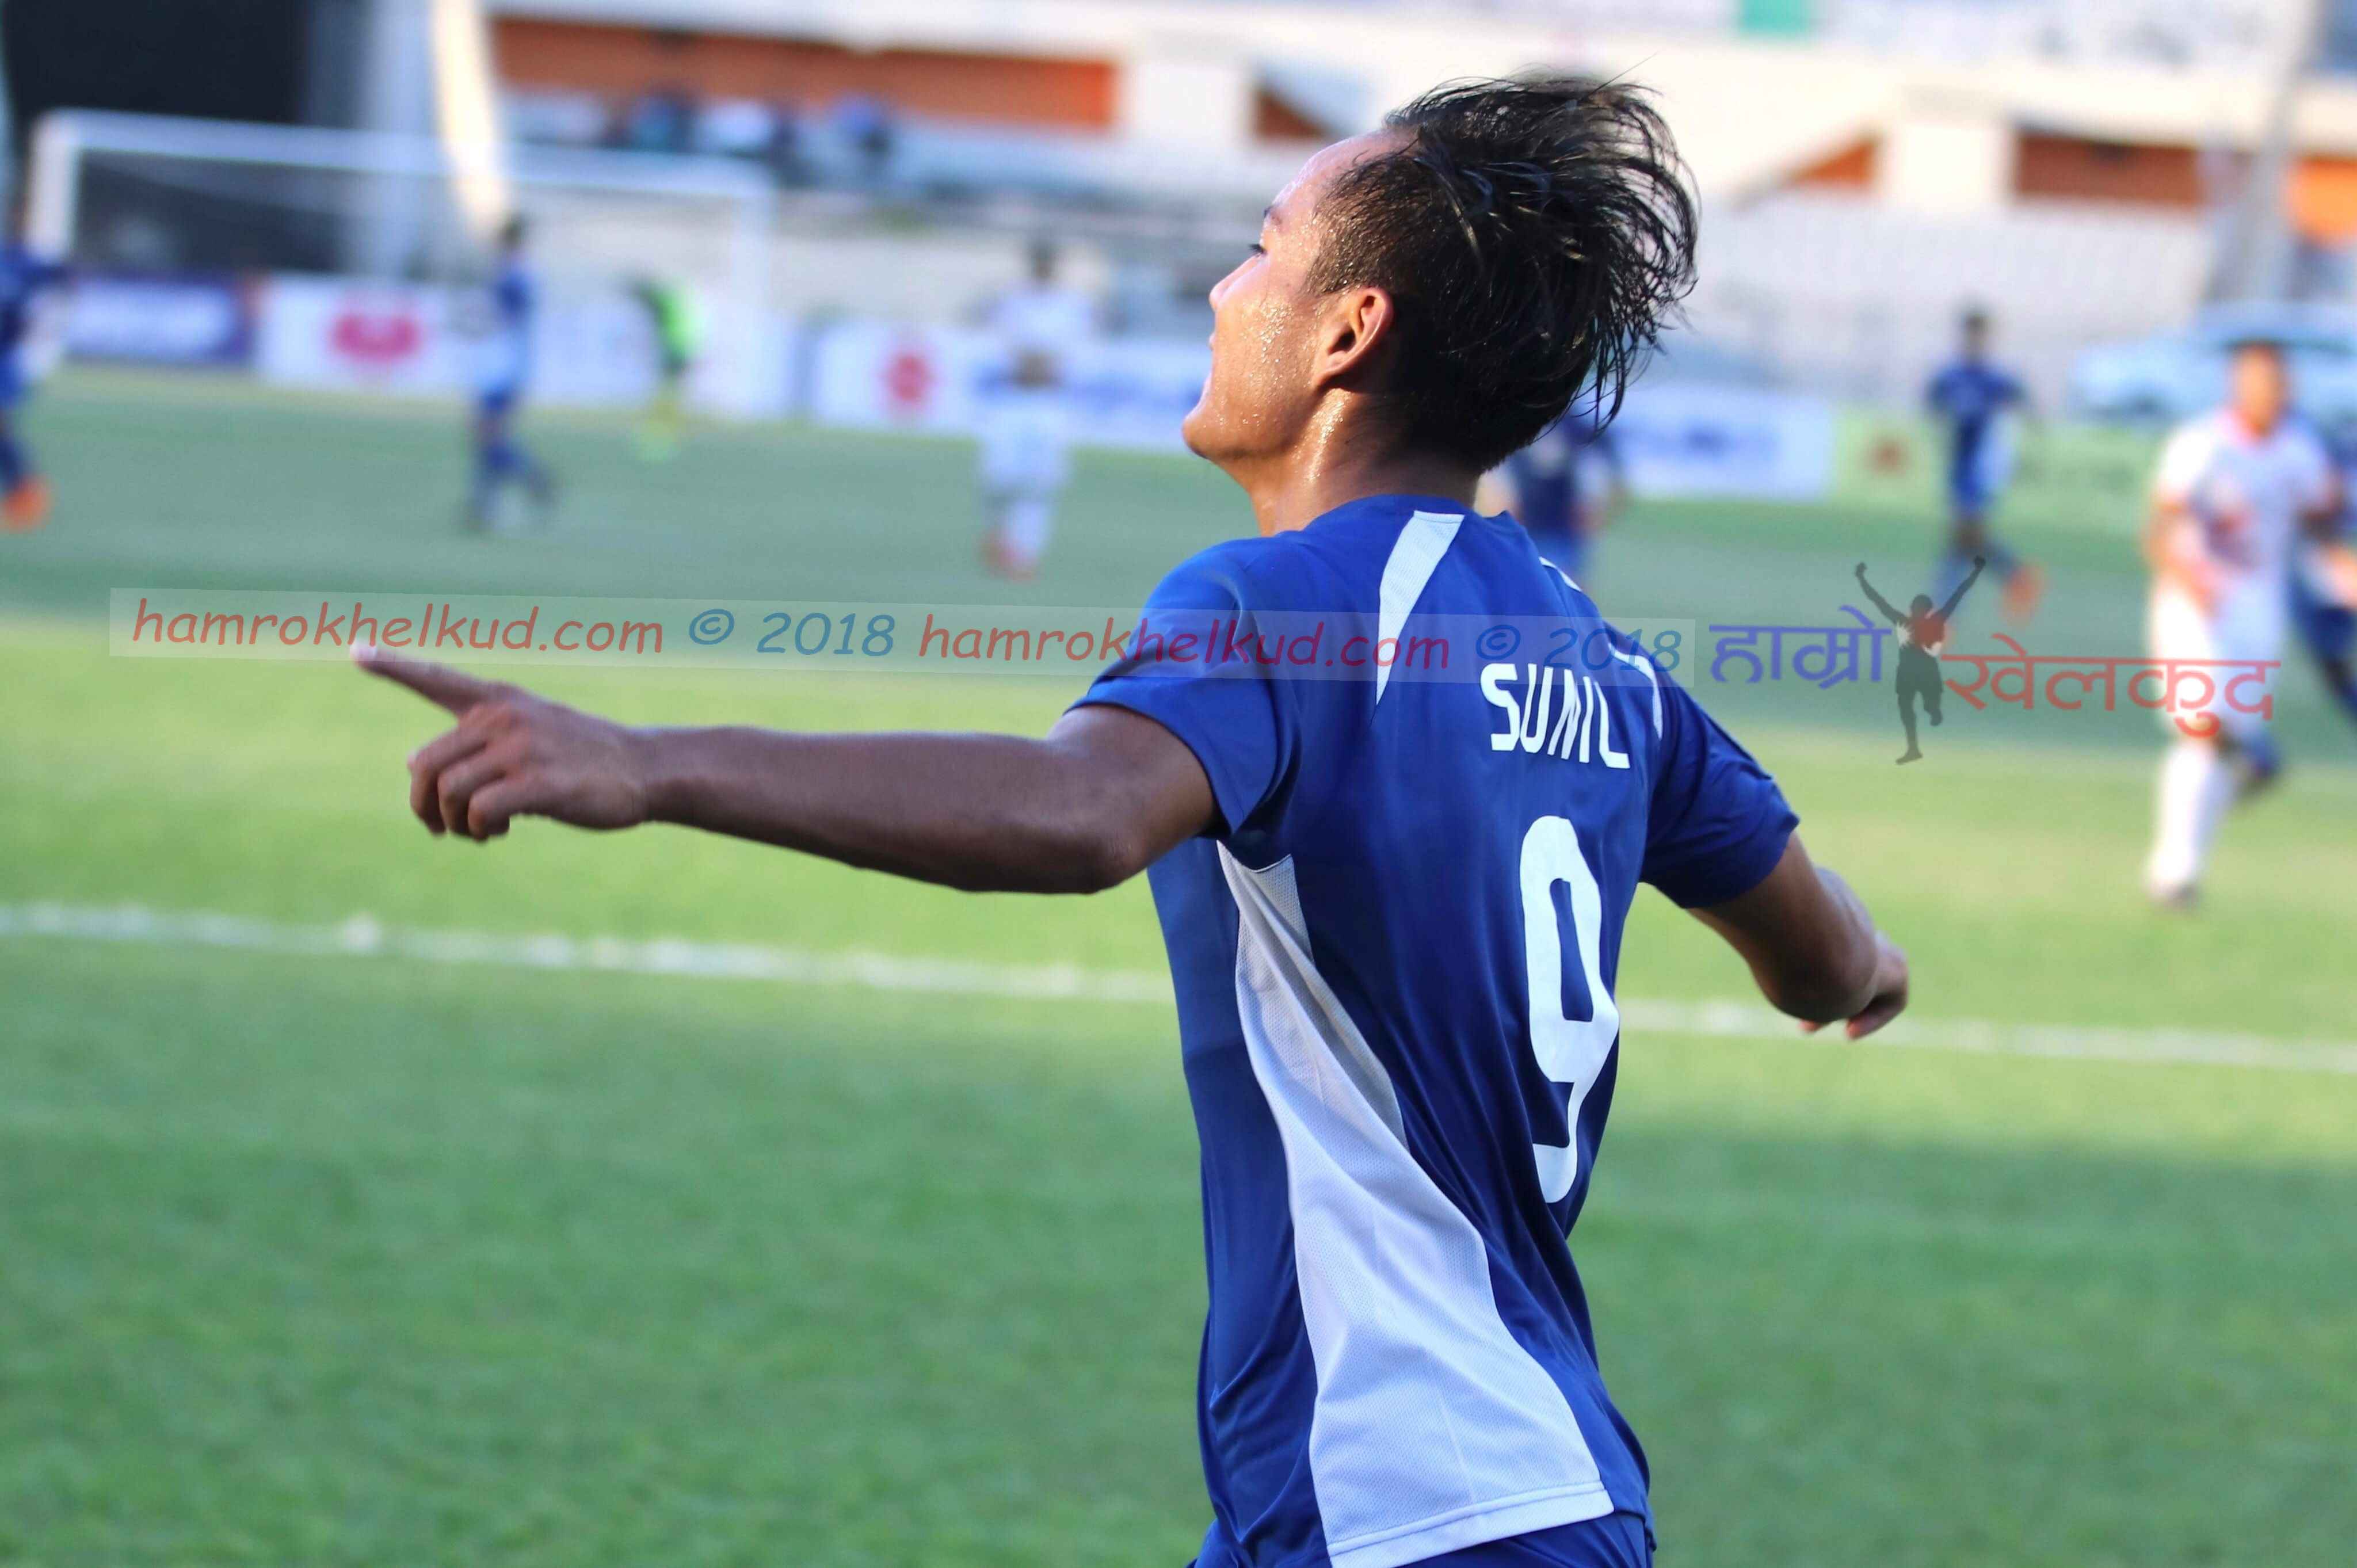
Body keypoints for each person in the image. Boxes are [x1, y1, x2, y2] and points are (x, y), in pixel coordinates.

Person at [358, 78, 1909, 1568]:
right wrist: (1869, 967)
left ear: (1348, 332)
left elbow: (1083, 810)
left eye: (1263, 251)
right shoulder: (1617, 677)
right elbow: (1824, 958)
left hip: (1407, 1496)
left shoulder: (1289, 601)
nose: (1224, 292)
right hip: (1478, 1487)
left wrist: (646, 763)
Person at [2142, 338, 2357, 909]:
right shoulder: (2201, 445)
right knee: (2201, 724)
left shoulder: (2299, 452)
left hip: (2257, 606)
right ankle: (2242, 768)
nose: (2271, 394)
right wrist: (2189, 580)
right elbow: (2159, 529)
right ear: (2238, 387)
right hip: (2193, 604)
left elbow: (2319, 526)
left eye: (2279, 384)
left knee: (2215, 739)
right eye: (2260, 383)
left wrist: (2343, 569)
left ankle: (2180, 873)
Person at [974, 238, 1097, 581]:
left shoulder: (1071, 305)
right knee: (1000, 477)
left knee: (1039, 483)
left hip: (1049, 403)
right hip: (1012, 398)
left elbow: (1073, 352)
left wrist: (1045, 363)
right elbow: (1002, 344)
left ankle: (1024, 554)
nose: (1042, 268)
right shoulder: (1013, 300)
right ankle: (997, 536)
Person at [1925, 307, 2043, 622]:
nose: (1973, 340)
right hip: (1959, 465)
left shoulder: (1995, 378)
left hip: (1982, 468)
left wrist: (2025, 443)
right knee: (1968, 539)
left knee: (1962, 536)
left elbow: (2025, 405)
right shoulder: (1951, 376)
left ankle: (1942, 614)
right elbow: (1932, 404)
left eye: (1978, 334)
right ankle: (2017, 576)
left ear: (1986, 338)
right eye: (1969, 334)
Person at [465, 215, 555, 534]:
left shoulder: (513, 275)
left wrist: (475, 324)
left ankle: (528, 478)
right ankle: (485, 504)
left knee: (489, 435)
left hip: (503, 366)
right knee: (487, 436)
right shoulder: (515, 273)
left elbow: (504, 320)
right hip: (504, 363)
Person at [1855, 558, 1984, 765]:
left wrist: (1861, 578)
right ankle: (1914, 746)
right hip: (1915, 671)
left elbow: (1878, 601)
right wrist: (1861, 579)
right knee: (1907, 707)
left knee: (1919, 706)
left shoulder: (1908, 621)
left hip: (1917, 671)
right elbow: (1958, 594)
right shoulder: (1926, 620)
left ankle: (1932, 713)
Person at [1481, 405, 1626, 581]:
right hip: (1522, 529)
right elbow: (1488, 471)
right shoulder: (1513, 422)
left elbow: (1616, 476)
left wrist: (1599, 516)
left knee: (1566, 591)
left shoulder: (1576, 424)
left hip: (1564, 533)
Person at [0, 199, 71, 532]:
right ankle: (24, 489)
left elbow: (64, 285)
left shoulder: (27, 264)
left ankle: (26, 491)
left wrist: (46, 333)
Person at [628, 274, 703, 461]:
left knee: (667, 394)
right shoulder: (669, 301)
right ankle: (666, 431)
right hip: (680, 349)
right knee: (670, 394)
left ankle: (662, 432)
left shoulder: (662, 304)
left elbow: (662, 324)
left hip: (675, 351)